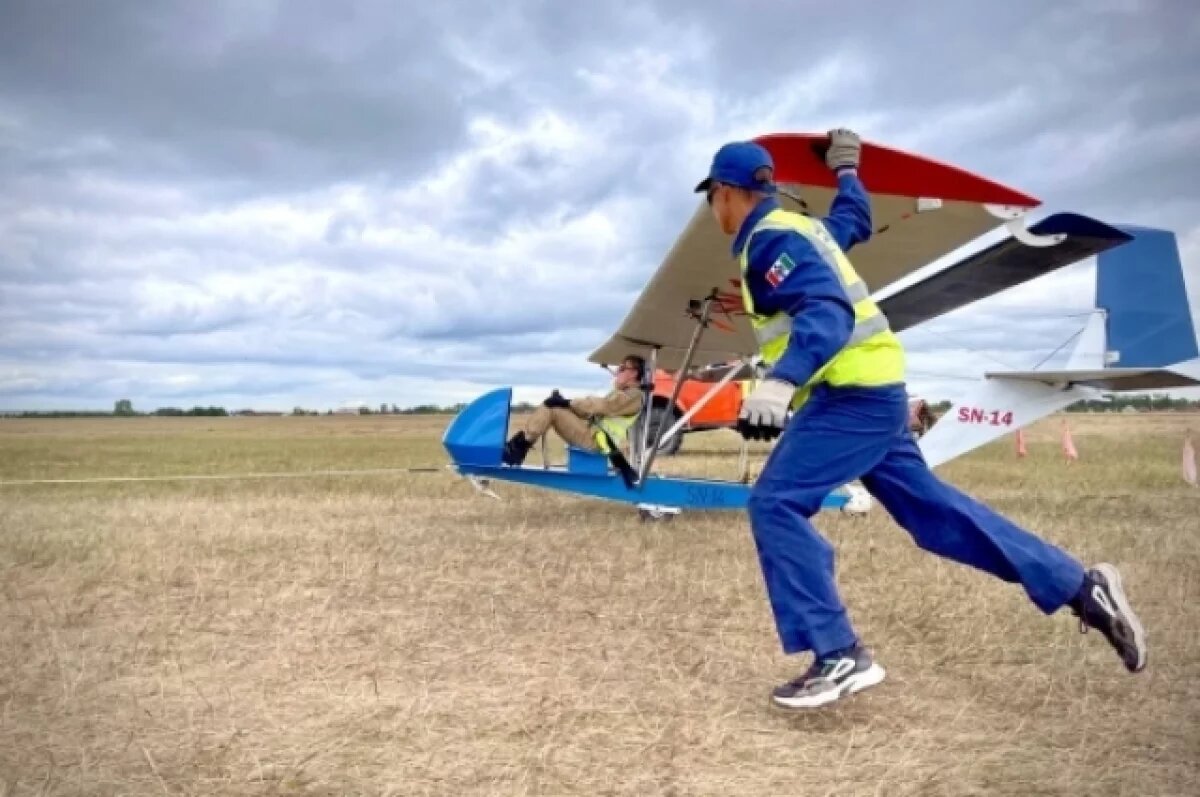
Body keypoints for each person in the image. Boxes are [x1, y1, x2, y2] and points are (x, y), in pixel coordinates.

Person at [695, 129, 1147, 710]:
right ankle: (1083, 589)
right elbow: (853, 220)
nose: (712, 209)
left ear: (729, 193)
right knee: (936, 515)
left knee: (776, 503)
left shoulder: (769, 242)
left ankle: (837, 655)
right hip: (879, 394)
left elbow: (827, 313)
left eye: (712, 196)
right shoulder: (808, 231)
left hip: (849, 396)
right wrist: (849, 171)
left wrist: (781, 381)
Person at [502, 355, 647, 469]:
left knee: (552, 408)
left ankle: (517, 449)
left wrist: (566, 402)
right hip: (595, 437)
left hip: (598, 442)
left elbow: (602, 405)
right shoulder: (624, 394)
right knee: (553, 405)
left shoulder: (634, 395)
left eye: (622, 368)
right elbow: (589, 412)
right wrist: (566, 403)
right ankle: (519, 447)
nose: (617, 371)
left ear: (634, 373)